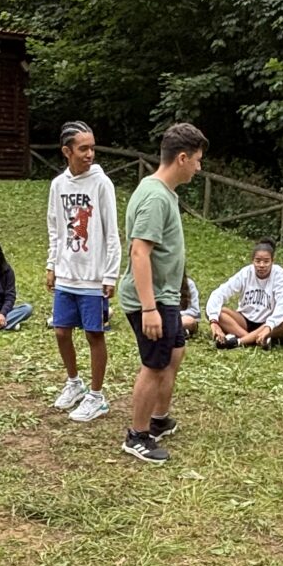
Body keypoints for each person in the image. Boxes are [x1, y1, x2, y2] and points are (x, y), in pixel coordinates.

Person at [117, 123, 208, 464]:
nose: (199, 167)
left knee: (174, 353)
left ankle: (158, 419)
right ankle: (137, 436)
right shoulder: (156, 197)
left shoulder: (162, 192)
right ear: (182, 158)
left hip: (165, 296)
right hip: (152, 298)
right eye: (197, 160)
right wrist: (149, 309)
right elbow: (139, 252)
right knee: (154, 364)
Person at [45, 121, 122, 423]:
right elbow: (55, 227)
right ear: (67, 151)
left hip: (93, 275)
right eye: (83, 149)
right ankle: (74, 383)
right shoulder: (58, 185)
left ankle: (96, 396)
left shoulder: (101, 183)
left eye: (92, 148)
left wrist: (110, 274)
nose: (90, 154)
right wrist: (51, 264)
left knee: (94, 334)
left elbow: (112, 232)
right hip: (66, 272)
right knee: (61, 331)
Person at [207, 240, 283, 348]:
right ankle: (253, 340)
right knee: (219, 311)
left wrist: (269, 326)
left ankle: (239, 341)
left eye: (266, 261)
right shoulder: (246, 273)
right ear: (252, 260)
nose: (261, 265)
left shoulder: (279, 275)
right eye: (258, 261)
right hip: (244, 321)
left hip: (267, 323)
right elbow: (219, 293)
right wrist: (214, 322)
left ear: (273, 261)